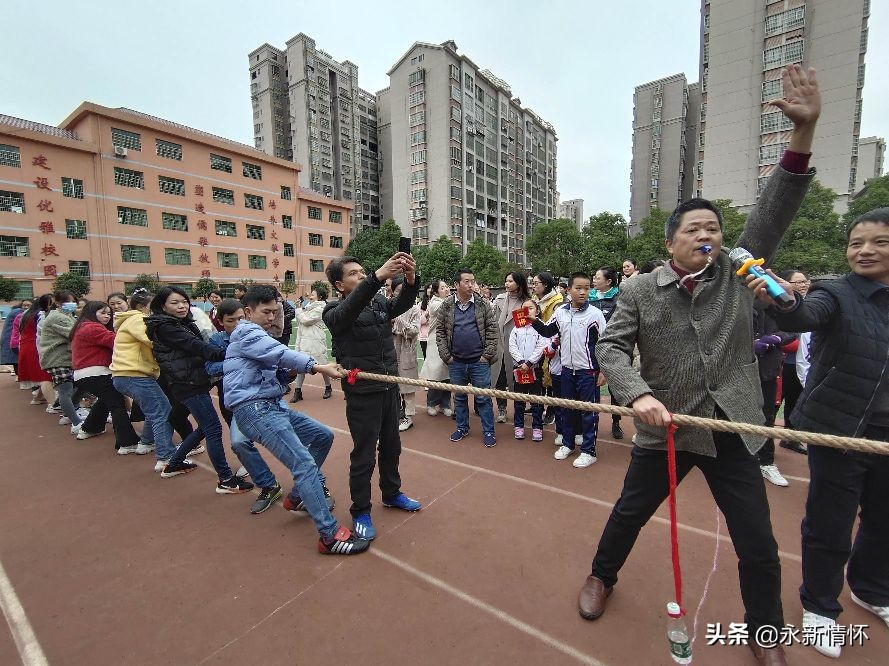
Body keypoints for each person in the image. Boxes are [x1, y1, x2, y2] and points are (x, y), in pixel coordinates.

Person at [580, 64, 820, 666]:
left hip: (732, 425)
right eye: (694, 228)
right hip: (666, 428)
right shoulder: (638, 292)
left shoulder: (740, 275)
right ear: (670, 242)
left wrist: (803, 135)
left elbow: (775, 207)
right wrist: (636, 395)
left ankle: (765, 633)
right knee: (629, 514)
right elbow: (610, 348)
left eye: (714, 226)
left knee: (759, 544)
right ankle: (601, 576)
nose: (708, 234)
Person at [749, 207, 889, 660]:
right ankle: (821, 607)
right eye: (856, 242)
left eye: (879, 242)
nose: (865, 250)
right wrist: (782, 300)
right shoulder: (837, 293)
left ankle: (872, 589)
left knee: (885, 520)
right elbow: (801, 314)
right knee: (830, 522)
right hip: (839, 432)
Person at [225, 285, 368, 555]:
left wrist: (287, 375)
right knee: (303, 464)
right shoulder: (246, 331)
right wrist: (318, 366)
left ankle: (298, 496)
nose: (271, 317)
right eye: (265, 312)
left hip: (270, 405)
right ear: (247, 312)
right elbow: (280, 354)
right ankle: (329, 536)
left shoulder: (257, 335)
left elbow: (273, 369)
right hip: (255, 410)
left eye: (274, 311)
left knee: (322, 436)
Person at [324, 253, 423, 541]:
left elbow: (400, 306)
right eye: (354, 273)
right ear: (339, 284)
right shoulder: (333, 311)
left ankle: (391, 494)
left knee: (392, 447)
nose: (361, 275)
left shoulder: (378, 301)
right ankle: (361, 510)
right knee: (364, 455)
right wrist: (377, 277)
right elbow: (349, 310)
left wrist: (411, 280)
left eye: (362, 271)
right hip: (362, 392)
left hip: (389, 386)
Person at [146, 286, 251, 491]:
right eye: (174, 303)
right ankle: (226, 479)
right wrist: (232, 354)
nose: (181, 306)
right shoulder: (166, 327)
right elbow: (198, 347)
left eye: (184, 301)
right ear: (162, 305)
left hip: (191, 381)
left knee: (205, 426)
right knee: (213, 428)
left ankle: (174, 463)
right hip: (188, 384)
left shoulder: (179, 323)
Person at [532, 272, 607, 468]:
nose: (583, 292)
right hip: (566, 371)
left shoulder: (595, 315)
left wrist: (603, 371)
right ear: (569, 290)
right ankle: (568, 444)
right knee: (566, 410)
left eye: (586, 288)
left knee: (589, 413)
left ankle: (589, 451)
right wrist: (533, 320)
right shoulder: (561, 313)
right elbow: (548, 331)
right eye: (578, 288)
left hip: (588, 372)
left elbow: (605, 344)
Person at [111, 289, 185, 473]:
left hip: (129, 374)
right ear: (144, 307)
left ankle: (146, 442)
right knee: (163, 411)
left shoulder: (131, 319)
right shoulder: (138, 319)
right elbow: (153, 340)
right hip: (133, 374)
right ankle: (166, 457)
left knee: (155, 410)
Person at [436, 268, 499, 447]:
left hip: (479, 361)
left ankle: (489, 431)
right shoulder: (447, 305)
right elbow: (440, 332)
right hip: (456, 361)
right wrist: (446, 356)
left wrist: (486, 356)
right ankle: (462, 427)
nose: (471, 284)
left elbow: (492, 330)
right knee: (460, 397)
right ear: (456, 285)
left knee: (483, 398)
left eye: (473, 281)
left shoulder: (483, 304)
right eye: (467, 281)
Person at [71, 301, 144, 451]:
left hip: (85, 374)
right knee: (117, 404)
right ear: (91, 312)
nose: (106, 316)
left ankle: (91, 428)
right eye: (102, 313)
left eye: (108, 314)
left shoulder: (82, 326)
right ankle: (127, 442)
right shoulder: (92, 327)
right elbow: (117, 341)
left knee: (106, 400)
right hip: (97, 373)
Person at [753, 301, 796, 487]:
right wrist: (749, 344)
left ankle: (766, 462)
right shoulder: (733, 296)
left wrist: (777, 338)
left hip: (767, 370)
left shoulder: (775, 302)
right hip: (737, 369)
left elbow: (793, 329)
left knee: (767, 416)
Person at [38, 291, 87, 434]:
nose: (72, 305)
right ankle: (76, 423)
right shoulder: (57, 317)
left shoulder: (66, 315)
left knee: (82, 384)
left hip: (67, 358)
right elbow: (75, 333)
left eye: (74, 302)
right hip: (57, 359)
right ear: (58, 303)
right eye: (68, 302)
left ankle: (69, 414)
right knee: (65, 391)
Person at [776, 269, 810, 455]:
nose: (803, 284)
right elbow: (780, 336)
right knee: (775, 403)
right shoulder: (778, 303)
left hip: (803, 364)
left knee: (795, 401)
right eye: (798, 282)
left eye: (805, 281)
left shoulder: (812, 304)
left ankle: (791, 437)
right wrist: (799, 345)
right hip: (784, 364)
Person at [491, 271, 531, 424]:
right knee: (500, 378)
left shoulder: (526, 302)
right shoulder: (500, 299)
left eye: (510, 281)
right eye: (506, 281)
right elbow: (492, 319)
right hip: (500, 344)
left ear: (519, 283)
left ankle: (519, 409)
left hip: (518, 347)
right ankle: (501, 408)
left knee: (517, 379)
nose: (507, 284)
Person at [590, 267, 624, 440]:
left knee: (615, 388)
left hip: (614, 347)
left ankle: (616, 421)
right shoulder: (590, 298)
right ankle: (590, 422)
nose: (594, 280)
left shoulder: (619, 298)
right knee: (592, 385)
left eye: (597, 278)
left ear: (609, 281)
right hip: (592, 348)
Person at [509, 298, 547, 441]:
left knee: (536, 400)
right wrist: (521, 362)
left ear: (537, 311)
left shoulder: (540, 326)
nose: (527, 311)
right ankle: (518, 426)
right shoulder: (516, 328)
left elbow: (541, 345)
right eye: (524, 308)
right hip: (518, 369)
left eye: (530, 308)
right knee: (519, 399)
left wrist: (529, 363)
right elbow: (512, 346)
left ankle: (537, 427)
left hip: (535, 369)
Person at [291, 285, 332, 402]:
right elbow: (300, 319)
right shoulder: (308, 307)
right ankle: (297, 391)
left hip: (316, 341)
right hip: (304, 340)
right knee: (300, 366)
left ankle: (328, 387)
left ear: (320, 297)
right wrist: (299, 309)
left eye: (313, 294)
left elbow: (306, 321)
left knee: (322, 366)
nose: (310, 296)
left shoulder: (321, 308)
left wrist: (298, 309)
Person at [391, 276, 421, 432]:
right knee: (392, 384)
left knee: (407, 385)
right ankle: (396, 412)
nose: (401, 293)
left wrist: (398, 321)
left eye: (403, 290)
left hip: (406, 351)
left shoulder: (414, 309)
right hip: (390, 351)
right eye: (398, 291)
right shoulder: (389, 306)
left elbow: (414, 331)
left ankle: (408, 416)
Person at [532, 272, 563, 425]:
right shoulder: (534, 300)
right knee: (540, 376)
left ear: (545, 285)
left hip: (552, 343)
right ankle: (538, 406)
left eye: (536, 283)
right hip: (537, 342)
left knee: (551, 377)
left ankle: (552, 410)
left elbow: (554, 327)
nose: (533, 285)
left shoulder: (558, 302)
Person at [419, 280, 453, 417]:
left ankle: (445, 404)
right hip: (435, 342)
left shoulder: (448, 301)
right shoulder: (434, 303)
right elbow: (446, 308)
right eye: (443, 287)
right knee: (435, 374)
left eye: (447, 286)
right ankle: (431, 403)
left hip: (448, 342)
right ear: (436, 291)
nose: (446, 289)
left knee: (447, 375)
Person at [18, 295, 54, 404]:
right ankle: (52, 404)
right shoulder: (40, 315)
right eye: (51, 303)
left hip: (26, 347)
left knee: (41, 375)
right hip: (36, 347)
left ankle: (38, 397)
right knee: (45, 376)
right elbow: (43, 332)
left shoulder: (26, 314)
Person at [1, 300, 29, 377]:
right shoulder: (19, 313)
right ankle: (20, 376)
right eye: (25, 305)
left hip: (12, 338)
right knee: (17, 358)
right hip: (13, 338)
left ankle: (19, 376)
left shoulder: (16, 312)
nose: (26, 307)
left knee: (16, 358)